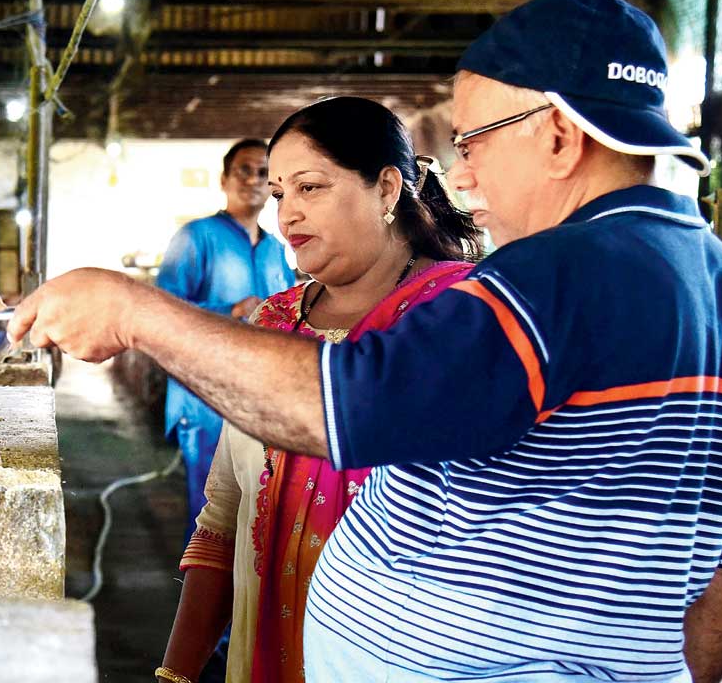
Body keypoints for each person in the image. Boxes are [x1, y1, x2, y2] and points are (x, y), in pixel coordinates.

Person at [11, 0, 722, 683]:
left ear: (556, 136)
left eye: (474, 142)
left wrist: (132, 310)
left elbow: (339, 403)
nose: (462, 174)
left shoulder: (563, 269)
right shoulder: (715, 277)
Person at [160, 97, 482, 683]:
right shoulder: (275, 323)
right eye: (281, 194)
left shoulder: (460, 318)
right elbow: (223, 519)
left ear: (387, 189)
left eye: (310, 188)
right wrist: (175, 675)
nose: (287, 216)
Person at [156, 139, 295, 539]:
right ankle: (197, 598)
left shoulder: (275, 249)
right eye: (244, 170)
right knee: (211, 512)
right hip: (205, 398)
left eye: (263, 173)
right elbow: (164, 309)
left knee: (254, 511)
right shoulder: (195, 237)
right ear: (224, 180)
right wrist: (231, 312)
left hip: (259, 398)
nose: (253, 180)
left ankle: (242, 600)